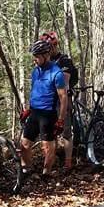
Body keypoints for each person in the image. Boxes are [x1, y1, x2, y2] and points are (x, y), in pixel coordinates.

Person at [19, 39, 68, 178]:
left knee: (47, 146)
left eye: (37, 56)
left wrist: (61, 120)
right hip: (34, 112)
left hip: (48, 114)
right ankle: (25, 171)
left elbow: (63, 98)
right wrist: (28, 109)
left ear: (46, 56)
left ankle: (46, 172)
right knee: (25, 144)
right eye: (34, 56)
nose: (34, 59)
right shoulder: (35, 71)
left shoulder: (56, 73)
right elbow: (34, 91)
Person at [41, 31, 78, 173]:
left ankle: (68, 162)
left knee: (66, 131)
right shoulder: (44, 62)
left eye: (51, 47)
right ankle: (51, 161)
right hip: (48, 102)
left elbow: (65, 82)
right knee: (50, 133)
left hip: (62, 100)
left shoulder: (64, 61)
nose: (49, 50)